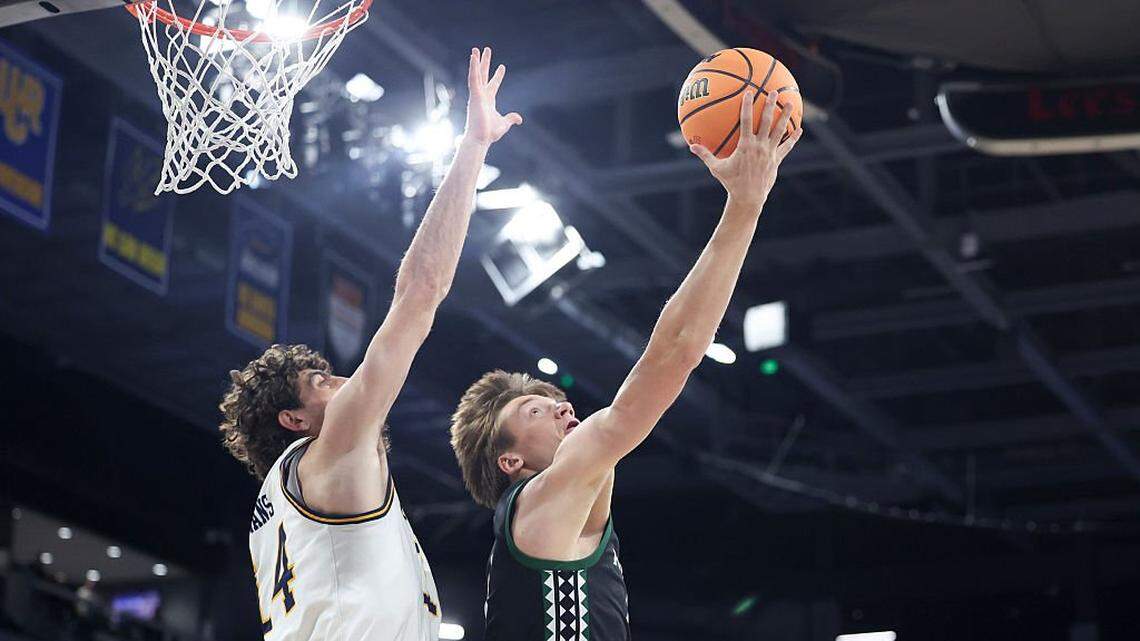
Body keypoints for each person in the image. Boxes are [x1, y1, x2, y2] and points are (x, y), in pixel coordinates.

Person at [449, 89, 801, 641]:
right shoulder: (540, 499)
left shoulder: (565, 513)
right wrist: (745, 205)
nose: (564, 405)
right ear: (511, 461)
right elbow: (677, 351)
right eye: (536, 410)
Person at [217, 47, 522, 640]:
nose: (346, 382)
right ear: (295, 418)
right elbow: (420, 292)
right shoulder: (333, 446)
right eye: (322, 382)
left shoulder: (280, 504)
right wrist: (473, 147)